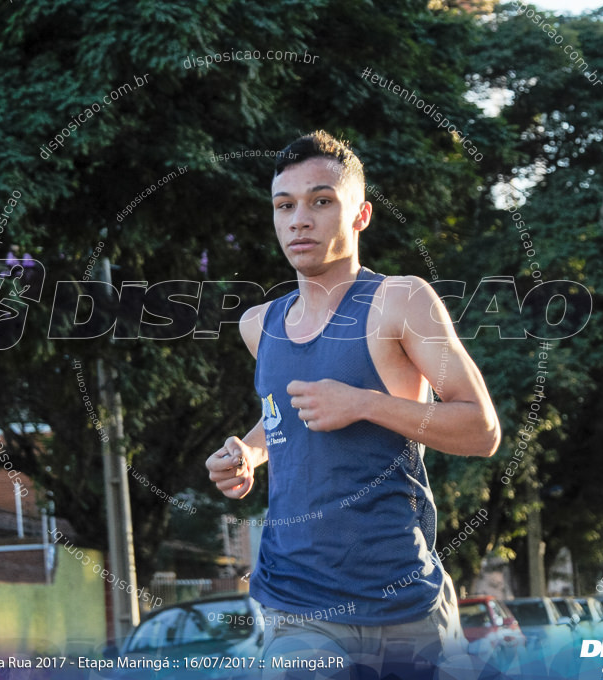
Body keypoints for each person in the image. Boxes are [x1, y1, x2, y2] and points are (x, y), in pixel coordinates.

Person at [205, 130, 501, 678]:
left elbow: (480, 429)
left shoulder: (400, 300)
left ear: (360, 215)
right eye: (284, 206)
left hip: (402, 600)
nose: (299, 220)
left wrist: (364, 403)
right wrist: (246, 453)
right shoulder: (258, 324)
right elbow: (285, 419)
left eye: (321, 201)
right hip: (295, 600)